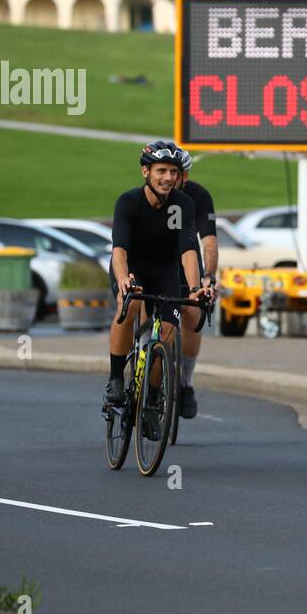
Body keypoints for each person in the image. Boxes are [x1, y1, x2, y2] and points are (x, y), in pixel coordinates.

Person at [104, 142, 207, 434]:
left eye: (174, 172)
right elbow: (119, 250)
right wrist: (124, 279)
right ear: (145, 171)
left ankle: (150, 398)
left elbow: (188, 250)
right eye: (161, 171)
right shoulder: (128, 202)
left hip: (164, 270)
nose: (168, 178)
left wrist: (195, 289)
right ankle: (115, 377)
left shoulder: (183, 205)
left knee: (168, 332)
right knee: (131, 303)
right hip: (132, 266)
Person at [171, 145, 217, 421]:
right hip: (149, 264)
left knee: (193, 312)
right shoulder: (144, 197)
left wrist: (209, 275)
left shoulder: (197, 197)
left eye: (180, 174)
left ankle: (185, 382)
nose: (176, 179)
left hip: (184, 262)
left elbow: (208, 241)